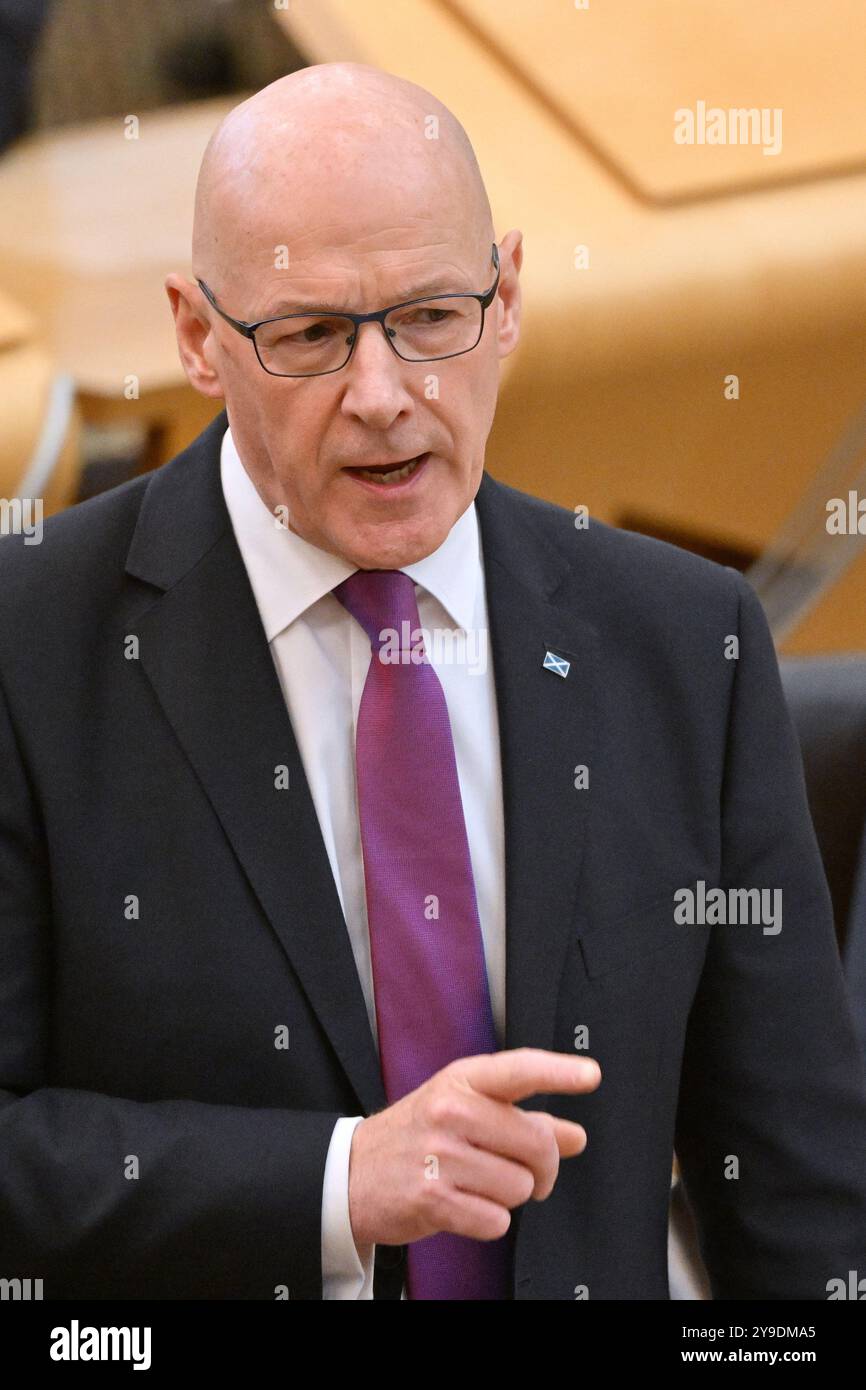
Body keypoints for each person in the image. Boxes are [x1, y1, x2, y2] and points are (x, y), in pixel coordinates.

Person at [1, 62, 865, 1301]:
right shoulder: (28, 646)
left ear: (505, 295)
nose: (384, 397)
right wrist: (338, 1182)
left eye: (429, 318)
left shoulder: (684, 642)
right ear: (197, 334)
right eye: (309, 335)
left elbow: (795, 1187)